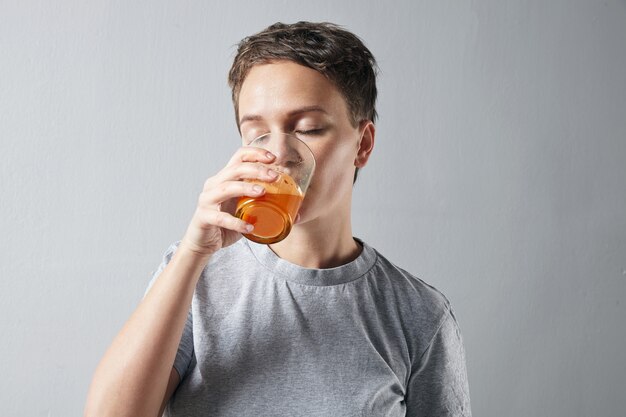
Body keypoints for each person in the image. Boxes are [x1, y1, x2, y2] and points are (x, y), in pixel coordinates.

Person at [84, 21, 472, 417]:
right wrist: (192, 253)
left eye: (308, 129)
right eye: (257, 134)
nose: (280, 153)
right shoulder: (193, 279)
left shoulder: (419, 314)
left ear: (363, 144)